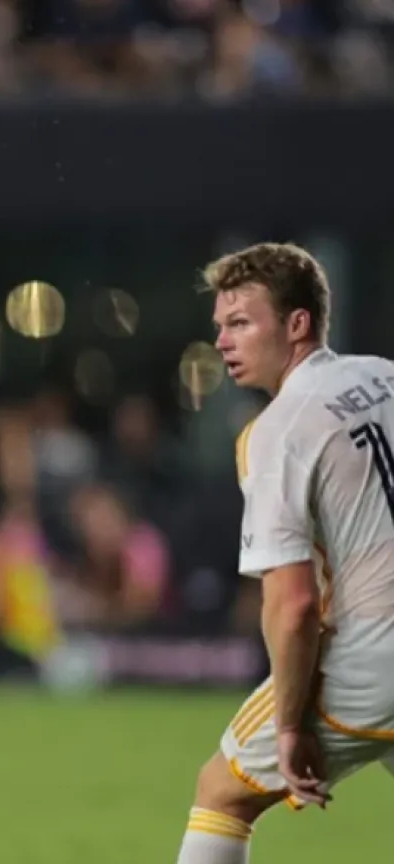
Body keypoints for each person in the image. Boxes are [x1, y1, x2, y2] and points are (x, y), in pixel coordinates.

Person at [176, 242, 394, 864]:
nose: (222, 341)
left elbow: (293, 605)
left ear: (298, 323)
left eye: (241, 323)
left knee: (221, 792)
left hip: (374, 655)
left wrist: (291, 724)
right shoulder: (385, 374)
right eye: (220, 325)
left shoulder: (277, 431)